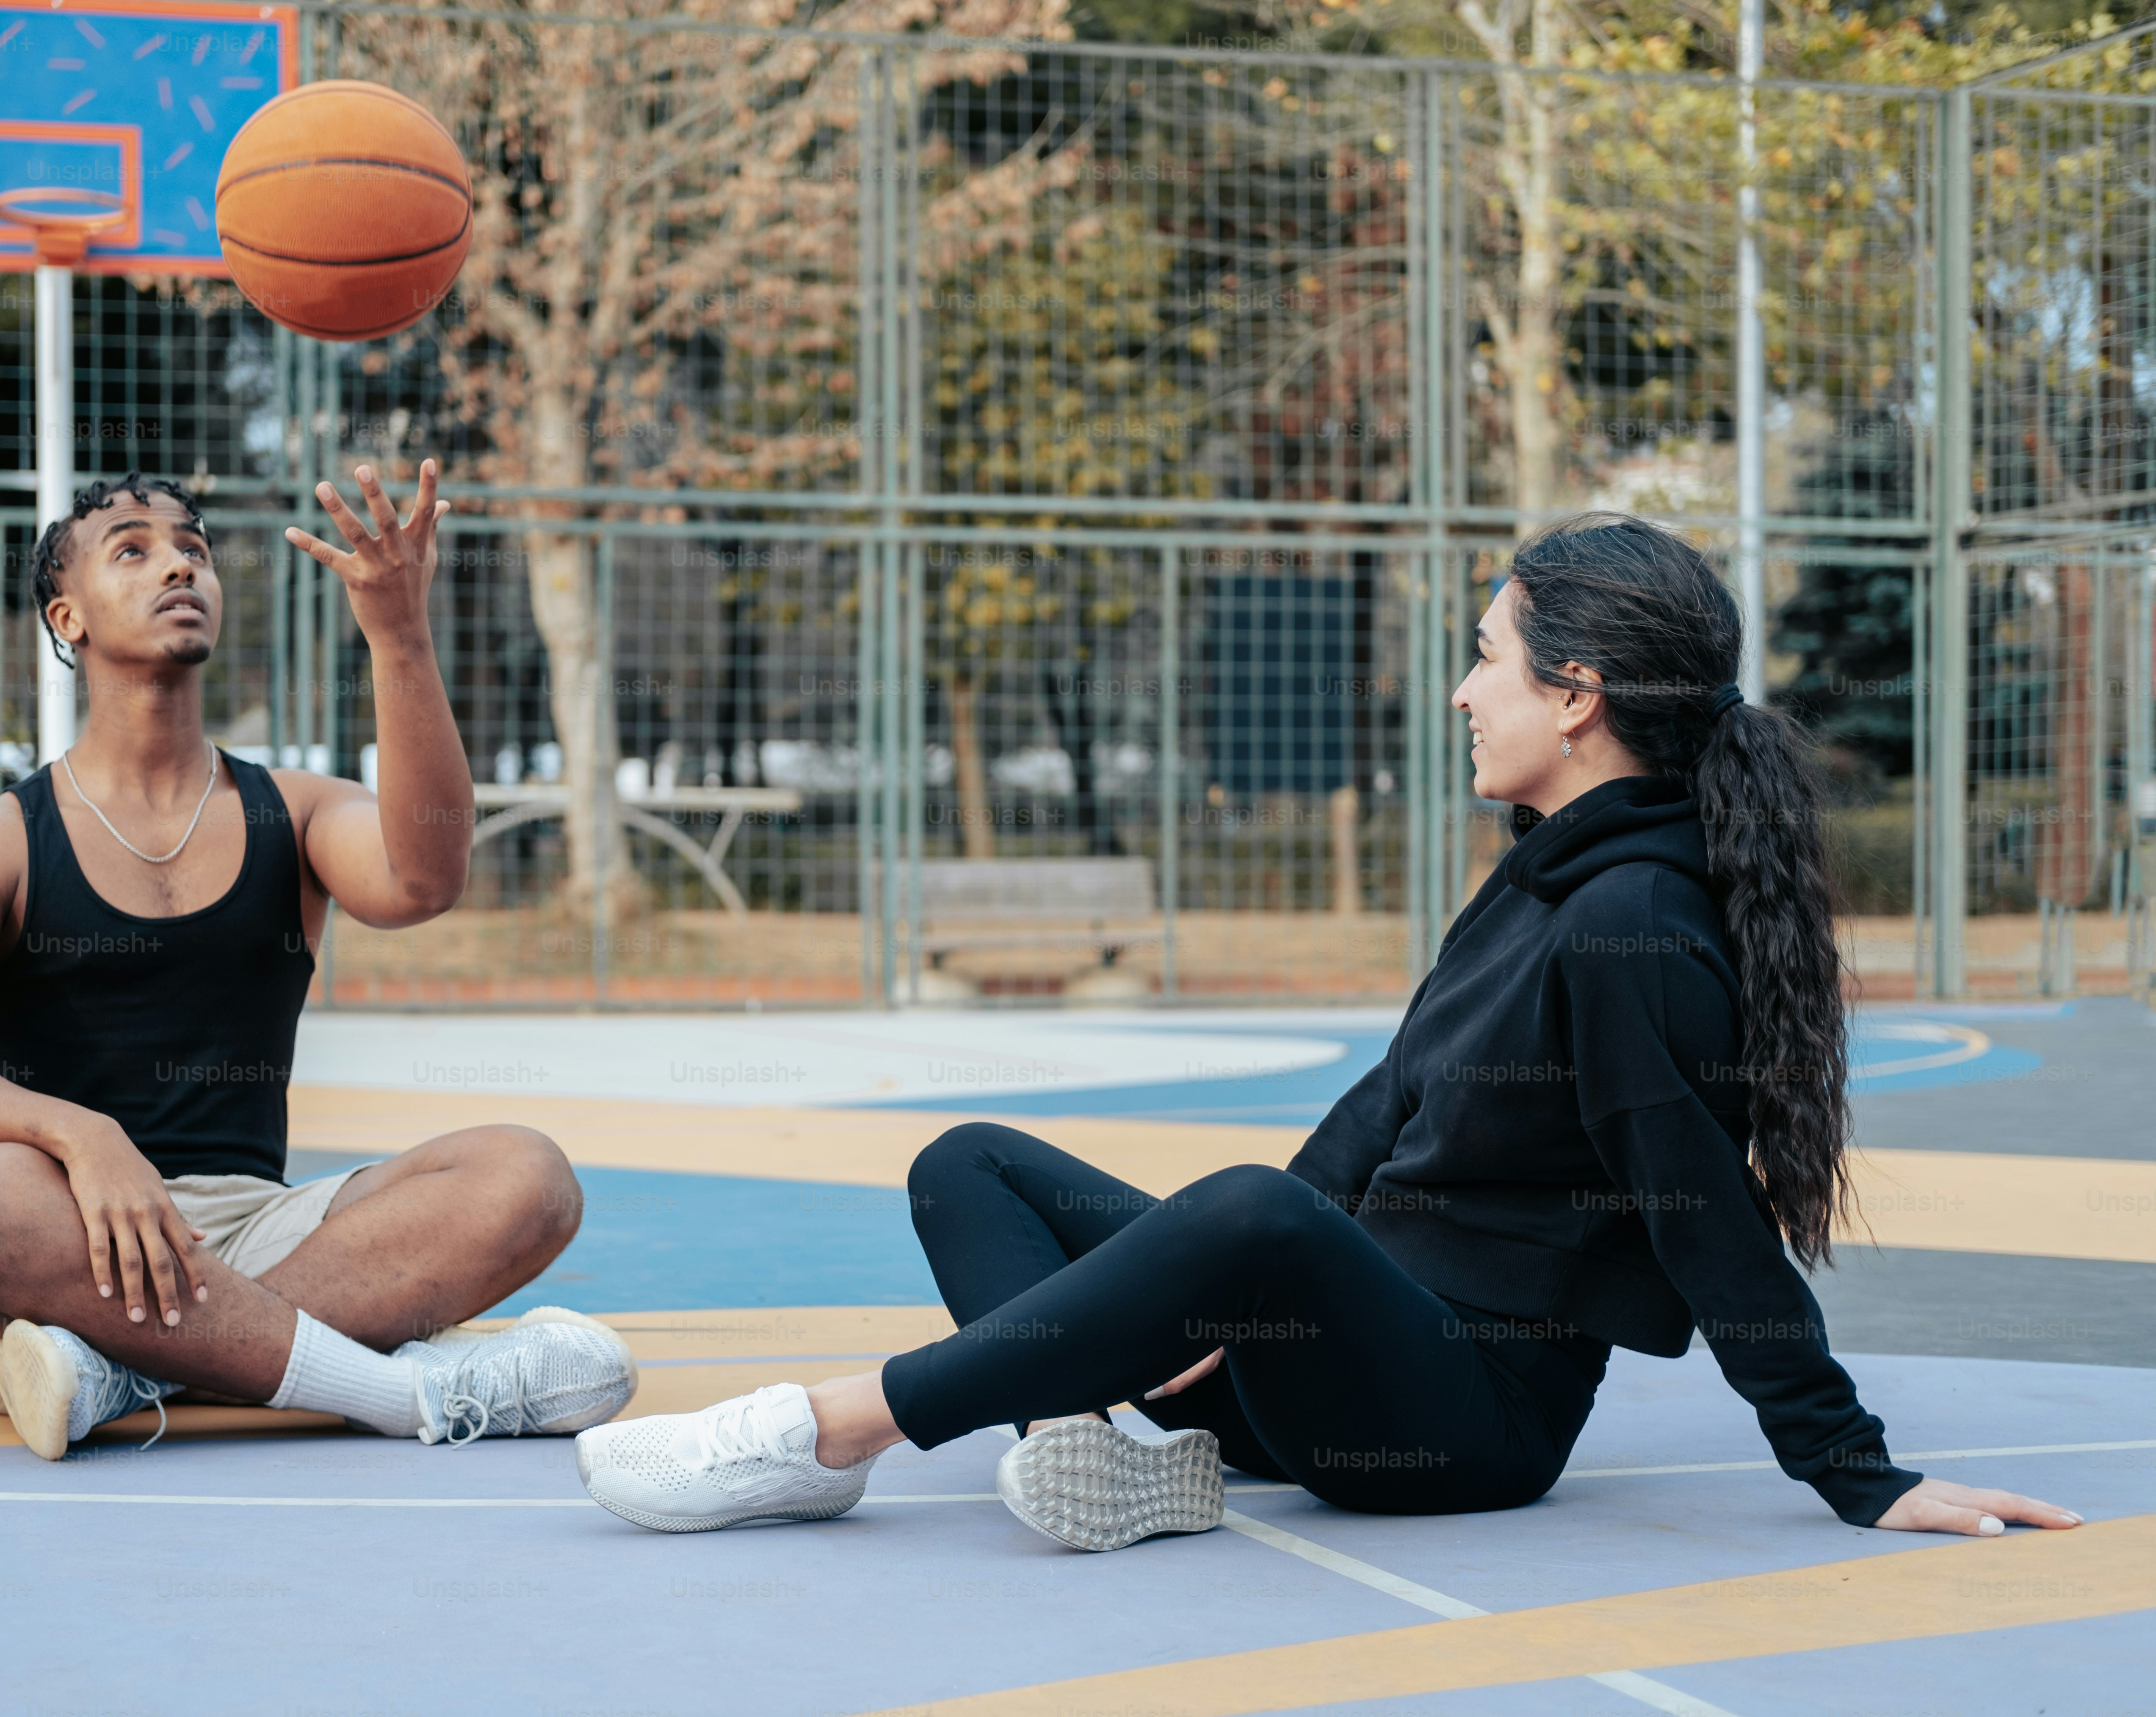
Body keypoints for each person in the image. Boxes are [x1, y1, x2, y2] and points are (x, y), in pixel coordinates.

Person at [576, 513, 2081, 1549]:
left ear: (1577, 695)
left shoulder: (1636, 921)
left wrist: (1850, 1464)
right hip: (1341, 1346)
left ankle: (825, 1434)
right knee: (971, 1162)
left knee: (1247, 1215)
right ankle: (1118, 1458)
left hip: (1459, 1419)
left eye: (1486, 656)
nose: (1458, 687)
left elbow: (1700, 1206)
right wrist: (1231, 1292)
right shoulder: (1538, 874)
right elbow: (1378, 1108)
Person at [0, 465, 634, 1462]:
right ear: (67, 618)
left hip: (258, 1236)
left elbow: (426, 877)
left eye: (193, 548)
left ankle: (121, 1374)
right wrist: (85, 1139)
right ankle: (393, 1393)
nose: (179, 565)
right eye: (134, 551)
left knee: (528, 1176)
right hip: (63, 1248)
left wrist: (398, 633)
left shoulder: (295, 811)